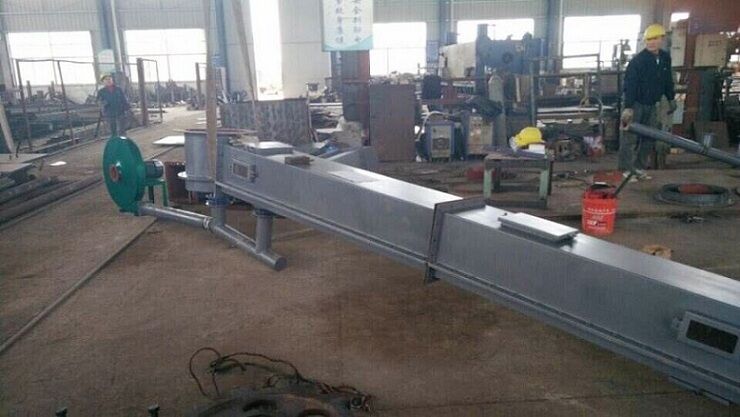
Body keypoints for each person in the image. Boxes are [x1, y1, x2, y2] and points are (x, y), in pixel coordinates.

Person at [619, 23, 677, 180]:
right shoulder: (637, 61)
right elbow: (630, 85)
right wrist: (628, 107)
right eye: (649, 39)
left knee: (649, 137)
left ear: (662, 39)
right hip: (635, 104)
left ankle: (639, 168)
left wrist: (671, 98)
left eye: (655, 39)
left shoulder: (665, 58)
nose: (651, 42)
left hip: (652, 104)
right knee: (629, 138)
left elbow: (667, 80)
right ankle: (626, 170)